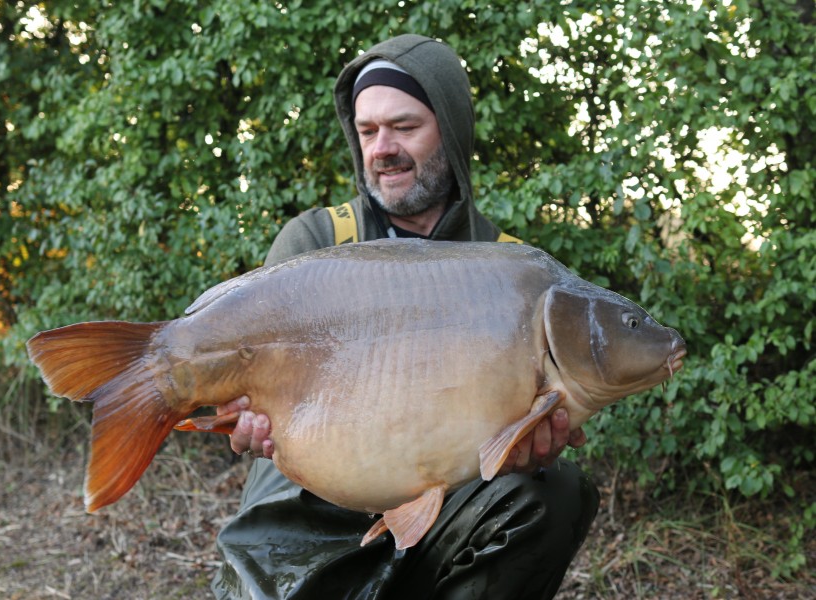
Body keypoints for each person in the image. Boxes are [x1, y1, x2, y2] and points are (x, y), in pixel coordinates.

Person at [211, 34, 600, 599]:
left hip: (451, 505)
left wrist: (533, 447)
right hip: (311, 506)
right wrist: (243, 423)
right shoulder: (317, 241)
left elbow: (551, 414)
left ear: (452, 129)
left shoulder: (511, 269)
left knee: (555, 490)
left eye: (404, 127)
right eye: (367, 132)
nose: (381, 148)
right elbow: (249, 404)